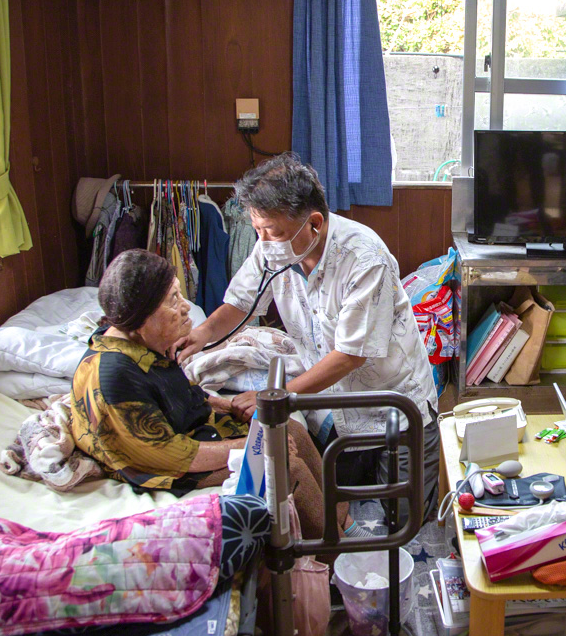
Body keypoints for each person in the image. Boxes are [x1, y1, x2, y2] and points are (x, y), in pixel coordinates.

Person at [173, 154, 441, 524]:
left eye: (272, 231)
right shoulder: (274, 247)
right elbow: (240, 303)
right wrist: (200, 335)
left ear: (314, 223)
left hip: (392, 405)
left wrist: (283, 396)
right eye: (257, 230)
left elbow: (350, 355)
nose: (264, 241)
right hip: (335, 408)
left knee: (406, 521)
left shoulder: (364, 259)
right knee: (345, 511)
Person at [73, 250, 350, 539]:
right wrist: (258, 444)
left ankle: (344, 521)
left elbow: (182, 394)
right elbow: (170, 457)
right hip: (163, 467)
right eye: (172, 301)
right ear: (143, 319)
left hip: (191, 434)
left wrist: (227, 406)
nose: (184, 308)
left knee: (290, 428)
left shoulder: (145, 341)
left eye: (179, 295)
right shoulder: (115, 374)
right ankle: (339, 559)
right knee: (284, 469)